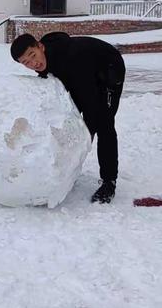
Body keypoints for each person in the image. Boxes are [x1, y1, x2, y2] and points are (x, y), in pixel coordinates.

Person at [10, 32, 126, 204]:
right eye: (26, 63)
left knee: (103, 123)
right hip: (82, 76)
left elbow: (89, 100)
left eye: (33, 55)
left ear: (40, 46)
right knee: (71, 118)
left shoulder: (71, 58)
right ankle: (68, 169)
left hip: (108, 69)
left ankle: (109, 181)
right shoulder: (45, 65)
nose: (33, 63)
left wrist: (85, 136)